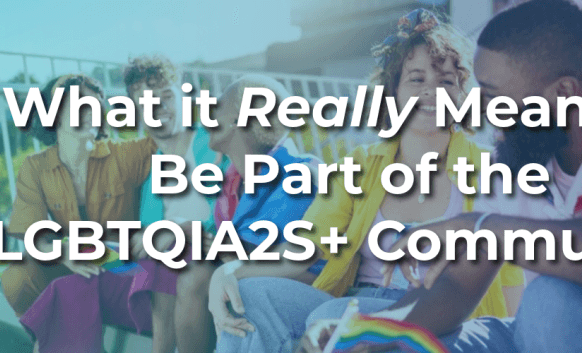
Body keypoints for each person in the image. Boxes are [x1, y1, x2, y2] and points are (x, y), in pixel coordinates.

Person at [299, 1, 582, 352]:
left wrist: (479, 227)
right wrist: (370, 333)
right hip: (544, 335)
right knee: (412, 341)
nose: (481, 109)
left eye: (493, 95)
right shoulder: (523, 151)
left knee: (552, 299)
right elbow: (455, 286)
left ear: (563, 92)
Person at [212, 9, 524, 353]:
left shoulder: (488, 170)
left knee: (336, 318)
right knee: (252, 294)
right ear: (393, 91)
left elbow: (510, 277)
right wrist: (230, 274)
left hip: (436, 318)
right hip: (352, 301)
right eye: (417, 79)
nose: (432, 91)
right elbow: (303, 250)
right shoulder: (358, 165)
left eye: (447, 81)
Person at [0, 74, 162, 352]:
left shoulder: (126, 154)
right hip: (78, 257)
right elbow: (30, 231)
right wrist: (64, 252)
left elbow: (169, 137)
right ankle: (45, 336)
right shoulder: (36, 167)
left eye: (95, 104)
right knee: (19, 274)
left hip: (124, 261)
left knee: (80, 275)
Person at [164, 74, 325, 353]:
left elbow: (260, 256)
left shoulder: (297, 173)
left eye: (218, 106)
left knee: (198, 274)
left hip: (302, 285)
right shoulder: (233, 182)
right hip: (251, 272)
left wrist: (207, 241)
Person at [123, 55, 225, 353]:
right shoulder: (150, 164)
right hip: (170, 253)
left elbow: (234, 208)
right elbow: (149, 228)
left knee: (187, 273)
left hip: (210, 247)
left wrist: (181, 230)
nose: (158, 108)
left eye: (166, 96)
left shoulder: (215, 142)